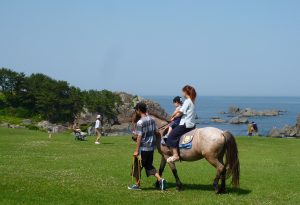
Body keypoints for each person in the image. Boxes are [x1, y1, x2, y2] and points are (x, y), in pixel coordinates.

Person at [128, 102, 167, 191]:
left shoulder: (140, 122)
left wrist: (136, 150)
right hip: (151, 148)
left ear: (138, 110)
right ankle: (160, 179)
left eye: (136, 110)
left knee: (137, 167)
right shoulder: (152, 120)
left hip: (143, 149)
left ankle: (137, 185)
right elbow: (155, 132)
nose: (136, 111)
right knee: (149, 166)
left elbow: (139, 137)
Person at [167, 85, 197, 163]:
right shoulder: (192, 101)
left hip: (185, 124)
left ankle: (176, 155)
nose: (182, 93)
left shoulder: (187, 101)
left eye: (182, 91)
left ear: (185, 92)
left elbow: (180, 112)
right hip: (192, 125)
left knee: (171, 137)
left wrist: (173, 117)